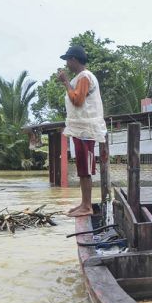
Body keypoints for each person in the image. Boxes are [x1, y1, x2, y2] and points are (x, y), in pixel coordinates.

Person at [57, 46, 107, 217]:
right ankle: (84, 203)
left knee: (85, 168)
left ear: (74, 60)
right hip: (81, 129)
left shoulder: (85, 77)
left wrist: (65, 82)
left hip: (86, 130)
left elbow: (77, 100)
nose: (67, 64)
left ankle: (87, 206)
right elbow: (77, 96)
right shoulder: (81, 78)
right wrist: (68, 83)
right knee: (82, 168)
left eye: (68, 60)